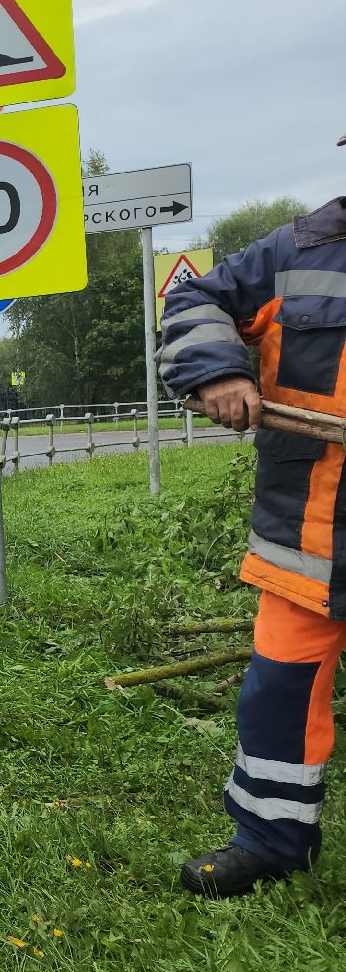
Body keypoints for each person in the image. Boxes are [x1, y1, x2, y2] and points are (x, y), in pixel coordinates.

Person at [158, 144, 346, 897]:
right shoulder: (301, 251)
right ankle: (271, 840)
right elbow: (194, 300)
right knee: (279, 693)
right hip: (311, 534)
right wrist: (222, 370)